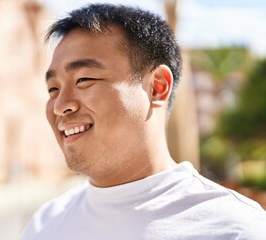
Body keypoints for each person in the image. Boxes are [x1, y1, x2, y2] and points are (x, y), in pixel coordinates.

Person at [21, 3, 266, 240]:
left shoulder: (235, 229)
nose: (61, 105)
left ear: (157, 87)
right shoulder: (45, 225)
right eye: (53, 89)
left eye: (84, 79)